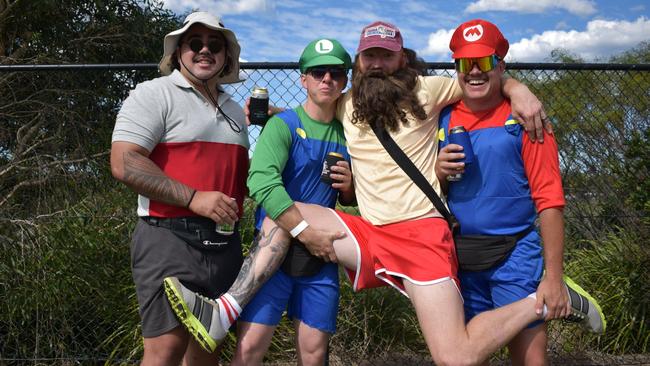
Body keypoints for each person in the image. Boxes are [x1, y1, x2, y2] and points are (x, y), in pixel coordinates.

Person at [164, 20, 605, 365]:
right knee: (291, 211)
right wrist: (273, 114)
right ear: (358, 61)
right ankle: (225, 309)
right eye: (368, 55)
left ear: (401, 59)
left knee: (455, 356)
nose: (376, 63)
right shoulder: (347, 101)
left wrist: (519, 89)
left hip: (423, 238)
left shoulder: (428, 89)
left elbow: (481, 81)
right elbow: (315, 106)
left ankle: (543, 302)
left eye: (385, 55)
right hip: (371, 233)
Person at [435, 19, 605, 365]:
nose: (475, 72)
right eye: (465, 64)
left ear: (501, 66)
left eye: (484, 62)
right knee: (462, 355)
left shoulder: (527, 118)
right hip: (460, 256)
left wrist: (553, 278)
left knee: (530, 359)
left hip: (515, 255)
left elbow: (550, 200)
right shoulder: (441, 117)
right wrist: (438, 172)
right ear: (456, 69)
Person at [110, 12, 249, 366]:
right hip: (168, 238)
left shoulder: (235, 109)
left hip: (224, 244)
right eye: (195, 44)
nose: (205, 51)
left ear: (226, 57)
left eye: (215, 45)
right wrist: (193, 198)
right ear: (178, 52)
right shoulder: (154, 94)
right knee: (165, 352)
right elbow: (124, 161)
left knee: (207, 350)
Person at [231, 38, 355, 365]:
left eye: (335, 73)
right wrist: (304, 231)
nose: (326, 79)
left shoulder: (351, 135)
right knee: (249, 348)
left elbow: (357, 200)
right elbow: (261, 182)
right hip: (274, 253)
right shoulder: (283, 125)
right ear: (303, 79)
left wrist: (350, 190)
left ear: (345, 81)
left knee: (314, 353)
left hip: (322, 257)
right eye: (317, 72)